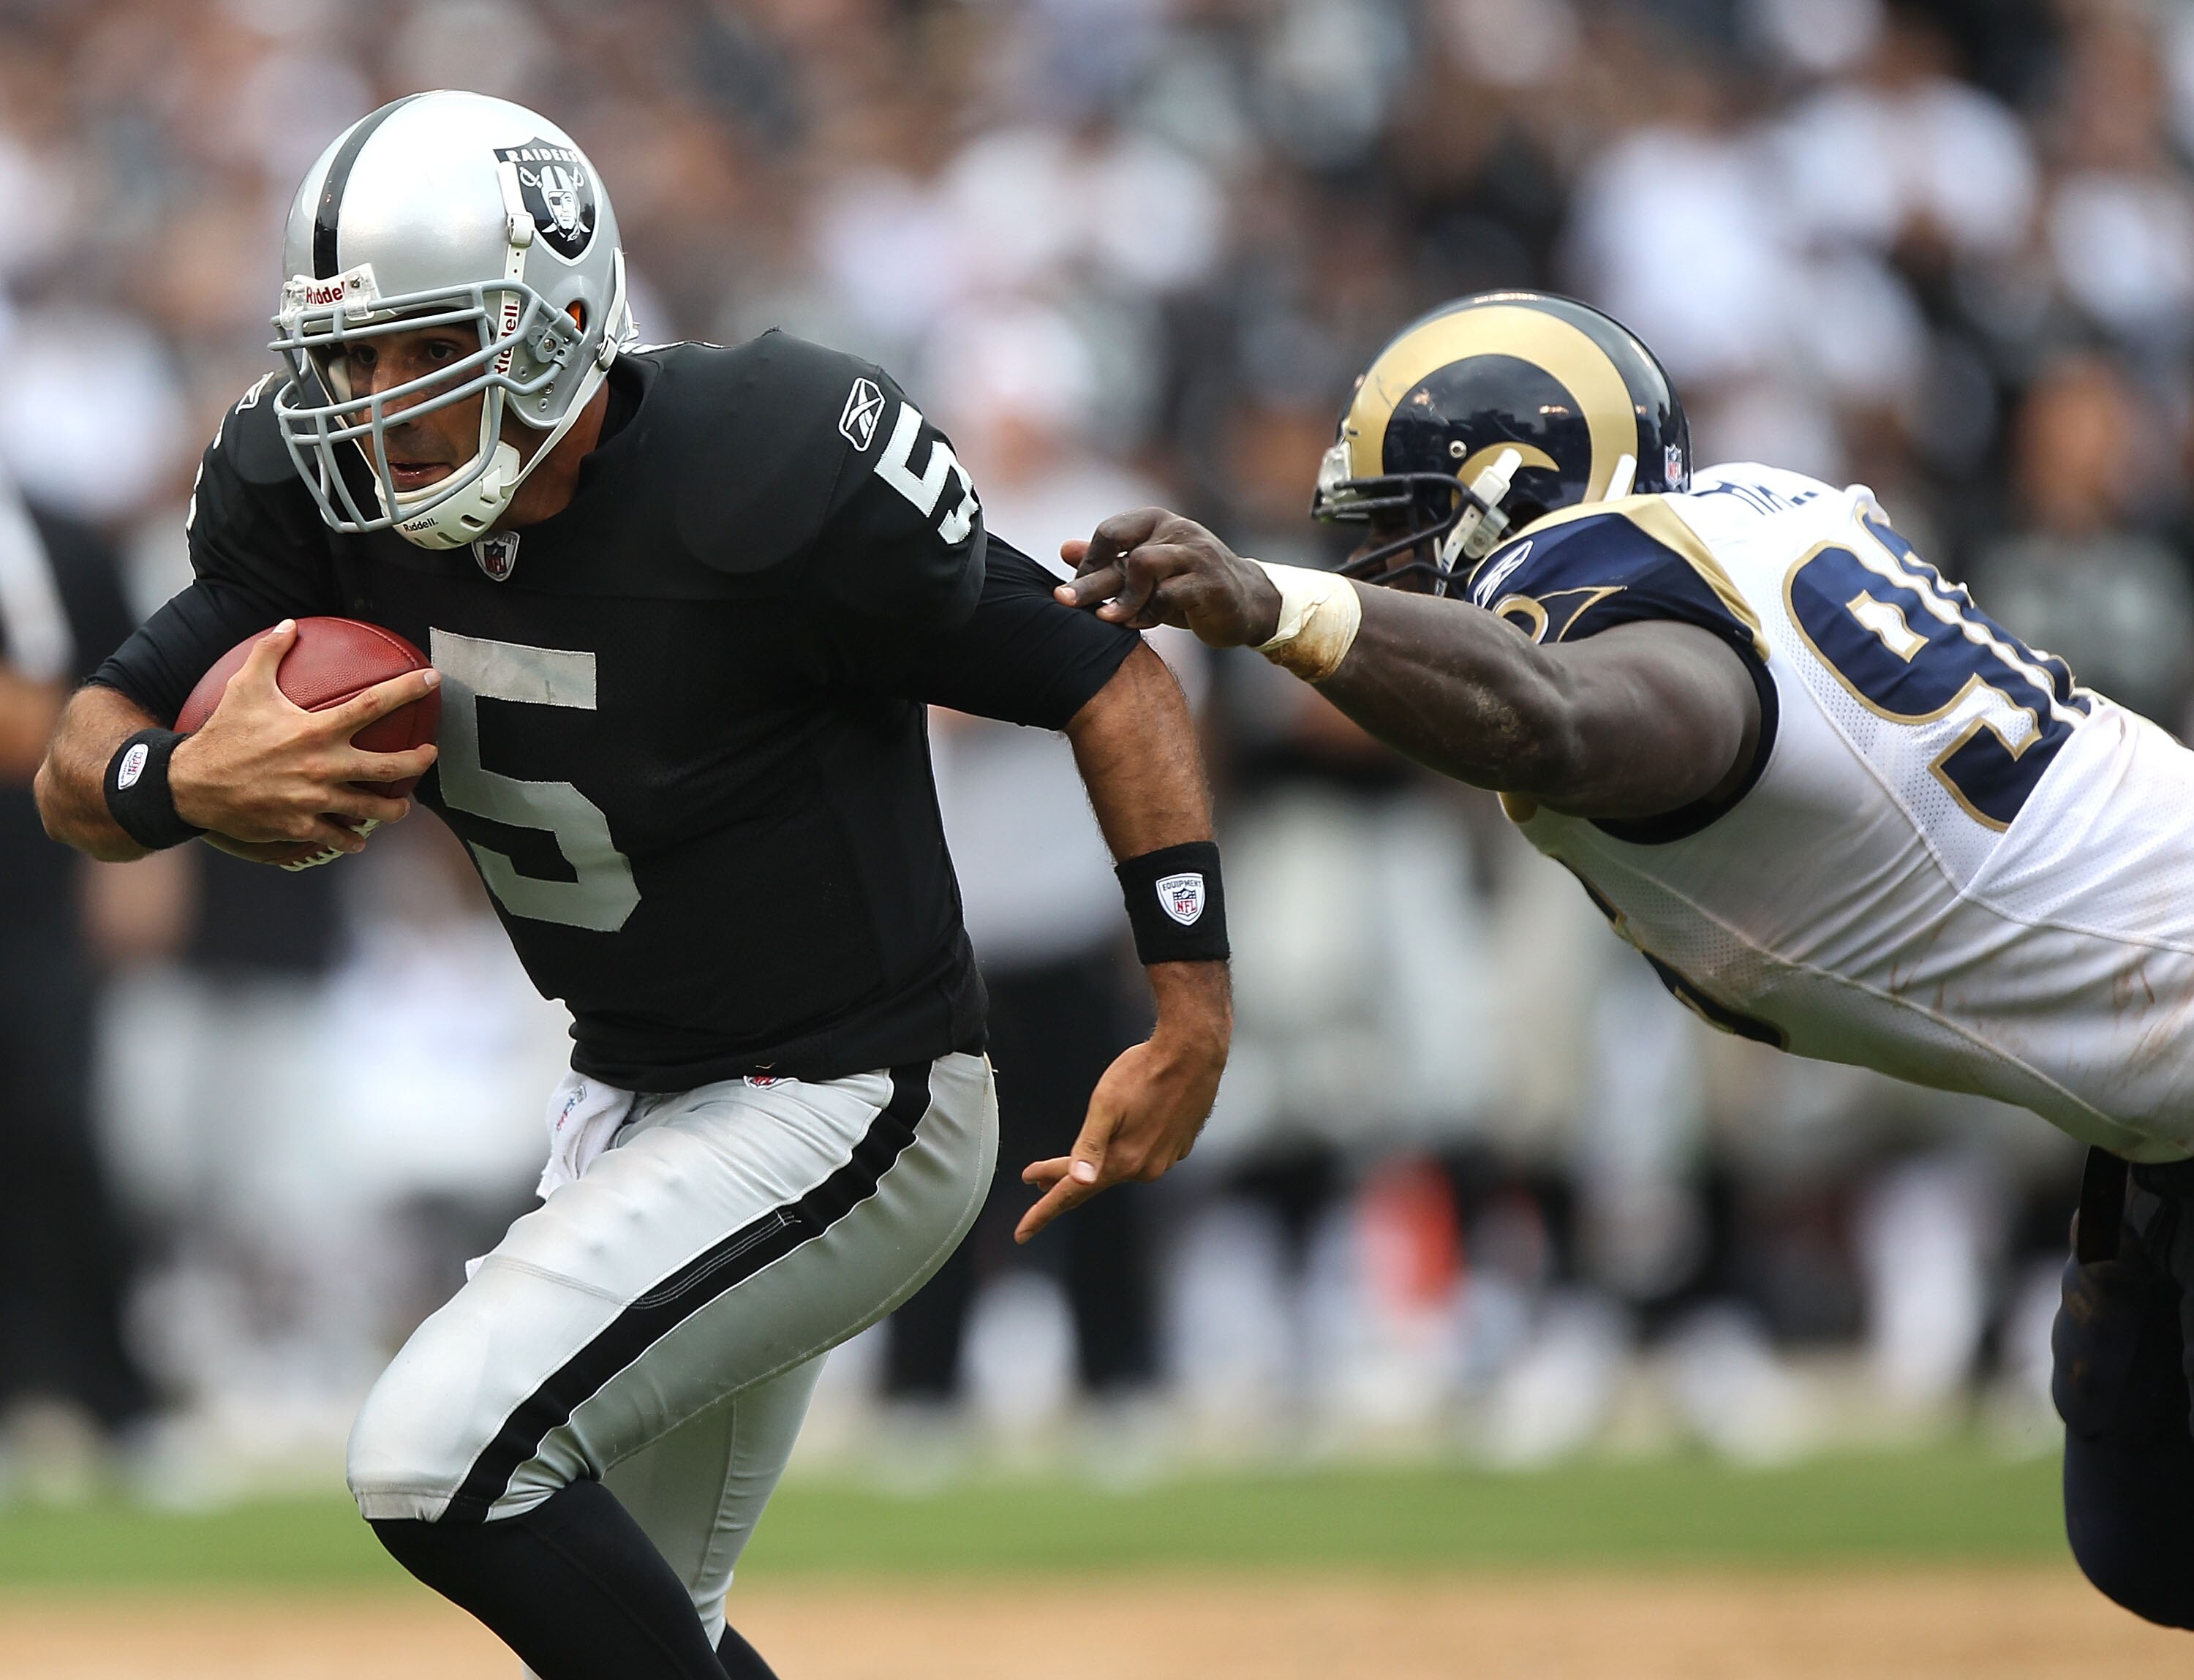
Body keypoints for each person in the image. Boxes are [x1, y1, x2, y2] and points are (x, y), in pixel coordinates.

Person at [35, 92, 1229, 1680]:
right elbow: (79, 766)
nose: (379, 403)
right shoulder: (318, 501)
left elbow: (1113, 683)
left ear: (553, 322)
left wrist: (1191, 1011)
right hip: (635, 1098)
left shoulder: (771, 468)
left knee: (433, 1452)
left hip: (855, 1096)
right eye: (351, 357)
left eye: (423, 347)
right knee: (644, 1626)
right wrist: (176, 784)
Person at [1055, 289, 2194, 1630]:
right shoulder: (1745, 520)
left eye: (1399, 535)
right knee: (2144, 1536)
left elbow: (1565, 719)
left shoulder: (1619, 588)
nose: (1376, 577)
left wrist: (1278, 605)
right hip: (2156, 1097)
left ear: (1515, 499)